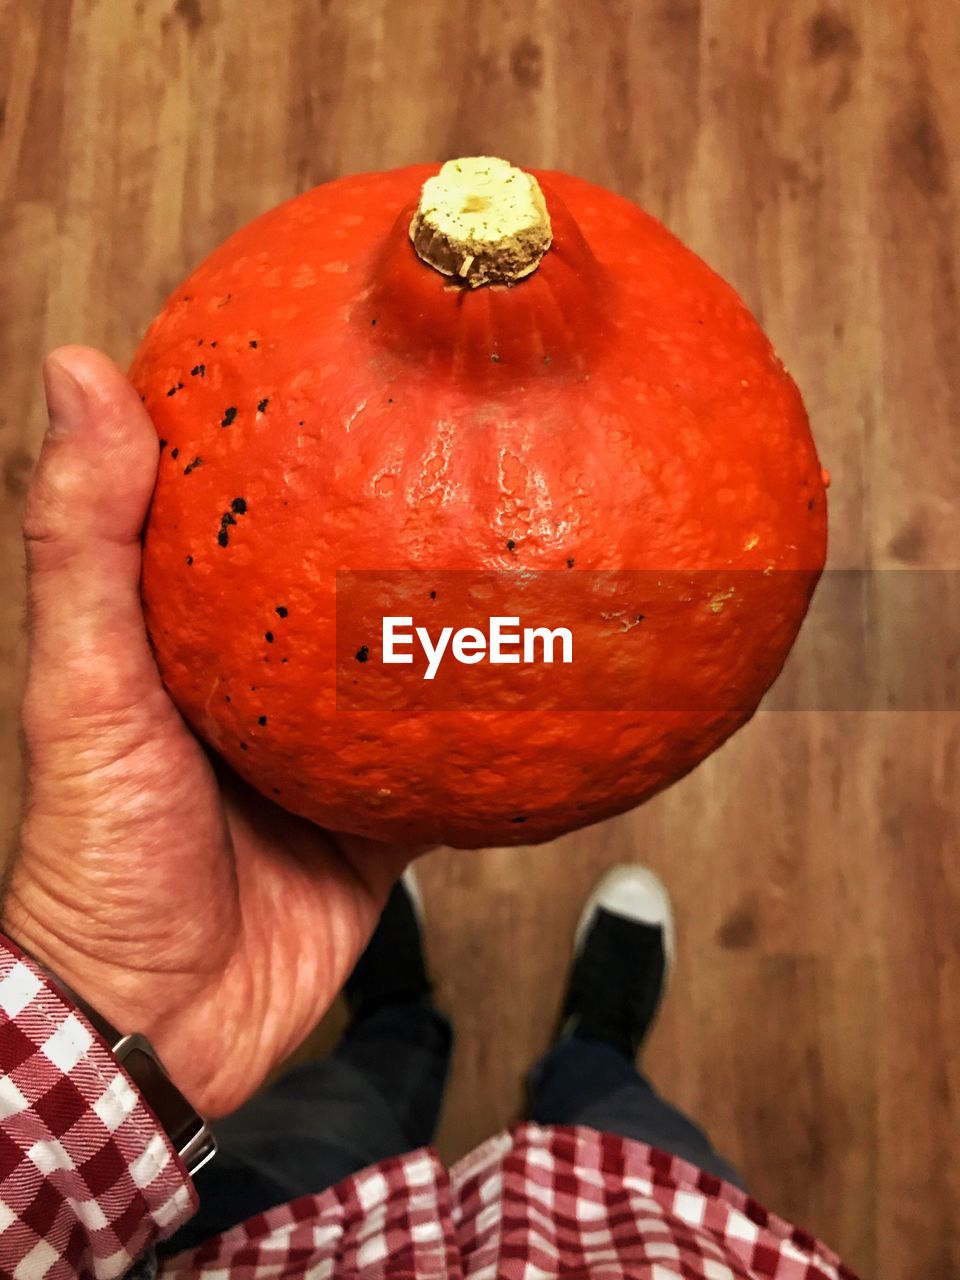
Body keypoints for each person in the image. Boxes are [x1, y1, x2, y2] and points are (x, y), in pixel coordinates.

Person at [0, 347, 858, 1280]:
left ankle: (397, 1026)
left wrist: (119, 1012)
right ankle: (588, 1054)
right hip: (662, 1250)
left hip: (274, 1243)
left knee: (340, 1112)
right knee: (625, 1126)